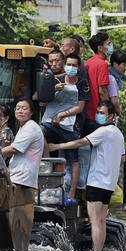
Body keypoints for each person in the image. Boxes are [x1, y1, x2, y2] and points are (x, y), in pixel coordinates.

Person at [48, 101, 125, 251]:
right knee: (101, 221)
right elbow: (123, 159)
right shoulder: (119, 134)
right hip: (109, 184)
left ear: (111, 116)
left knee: (95, 221)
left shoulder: (103, 132)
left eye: (102, 113)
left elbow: (80, 142)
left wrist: (57, 146)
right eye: (98, 112)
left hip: (97, 182)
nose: (98, 115)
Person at [1, 98, 45, 251]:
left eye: (24, 108)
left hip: (22, 180)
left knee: (18, 224)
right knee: (17, 224)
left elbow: (15, 149)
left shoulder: (30, 128)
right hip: (20, 178)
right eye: (18, 108)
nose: (20, 111)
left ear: (32, 112)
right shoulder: (23, 127)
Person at [39, 50, 84, 200]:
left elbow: (80, 107)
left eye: (73, 65)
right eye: (68, 65)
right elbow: (39, 100)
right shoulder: (53, 79)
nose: (70, 67)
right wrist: (52, 90)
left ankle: (71, 193)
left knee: (74, 160)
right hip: (50, 123)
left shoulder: (82, 83)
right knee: (40, 131)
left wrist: (61, 115)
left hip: (69, 126)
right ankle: (47, 165)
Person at [84, 32, 112, 127]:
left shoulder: (88, 63)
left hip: (86, 113)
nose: (111, 46)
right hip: (97, 115)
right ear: (100, 48)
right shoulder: (102, 64)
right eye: (108, 44)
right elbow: (102, 91)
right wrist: (109, 111)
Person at [108, 50, 126, 117]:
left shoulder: (116, 78)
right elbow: (114, 101)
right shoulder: (111, 79)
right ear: (115, 64)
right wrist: (119, 113)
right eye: (124, 65)